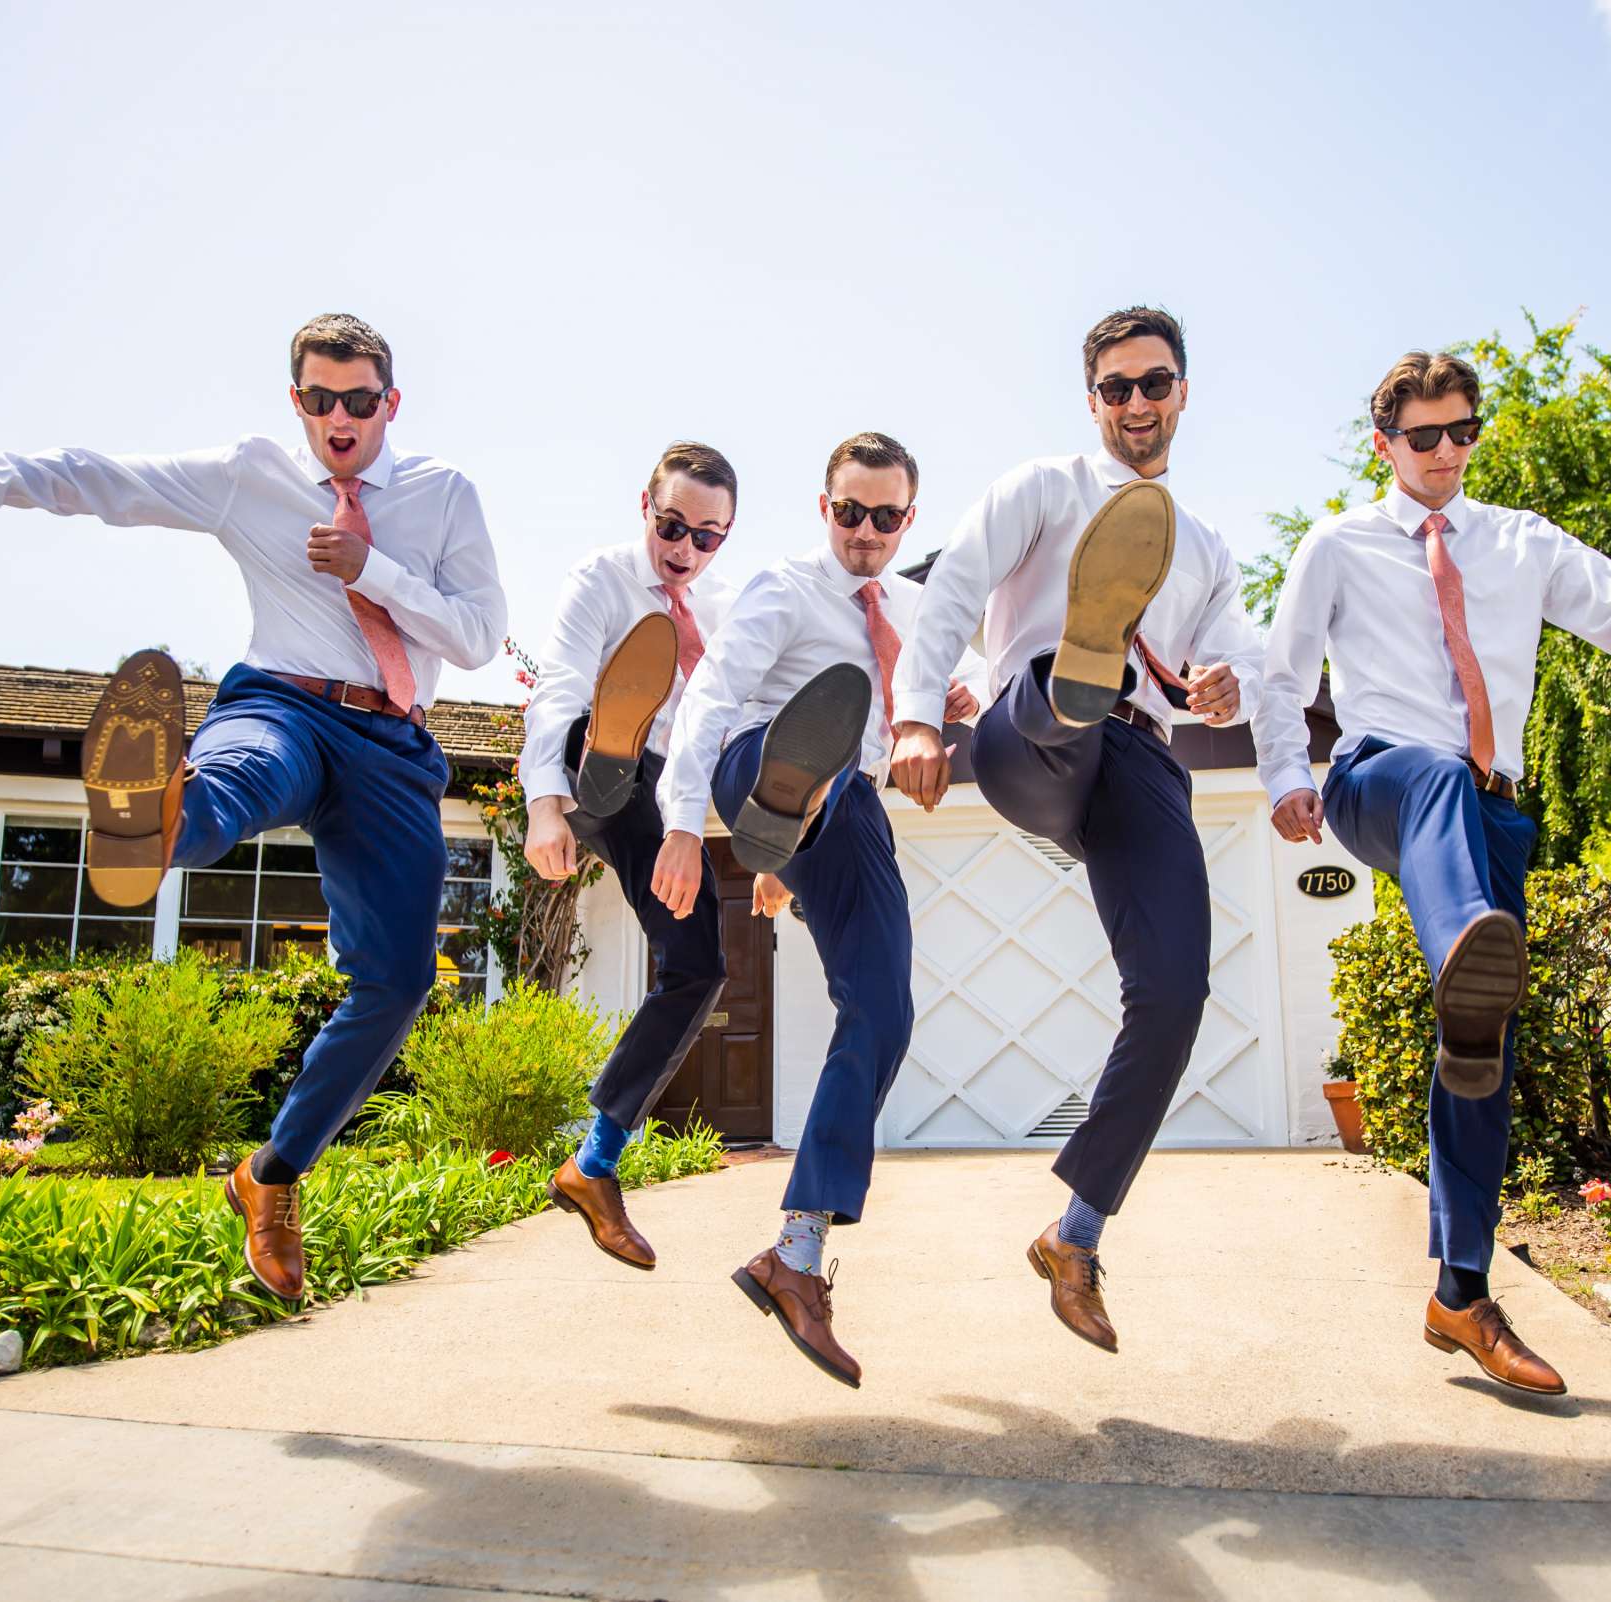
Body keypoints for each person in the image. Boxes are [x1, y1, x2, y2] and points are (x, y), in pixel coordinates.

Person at [0, 313, 506, 1305]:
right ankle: (162, 817)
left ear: (390, 403)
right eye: (318, 399)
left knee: (395, 982)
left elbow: (479, 637)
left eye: (357, 400)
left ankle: (269, 1177)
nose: (337, 418)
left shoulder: (443, 495)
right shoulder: (245, 473)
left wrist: (371, 570)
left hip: (391, 741)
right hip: (278, 701)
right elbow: (101, 479)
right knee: (237, 775)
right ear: (295, 402)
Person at [1254, 349, 1611, 1395]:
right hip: (1381, 781)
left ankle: (1461, 1295)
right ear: (1386, 444)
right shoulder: (1338, 543)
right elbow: (1281, 674)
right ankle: (1464, 948)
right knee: (1428, 773)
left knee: (1482, 1052)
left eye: (1461, 432)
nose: (1445, 453)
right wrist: (1288, 777)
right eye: (1423, 437)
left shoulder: (1525, 543)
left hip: (1491, 812)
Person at [885, 308, 1261, 1354]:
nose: (1136, 404)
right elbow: (951, 590)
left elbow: (1214, 678)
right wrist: (919, 715)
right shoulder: (1042, 487)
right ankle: (1073, 675)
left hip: (1141, 754)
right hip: (1025, 741)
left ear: (1183, 390)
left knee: (1178, 991)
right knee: (1062, 694)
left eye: (1154, 383)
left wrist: (1223, 690)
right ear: (1091, 399)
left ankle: (1076, 1233)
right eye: (1116, 388)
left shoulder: (1211, 547)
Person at [654, 432, 982, 1388]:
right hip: (749, 760)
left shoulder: (922, 610)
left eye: (886, 518)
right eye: (850, 513)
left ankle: (793, 1256)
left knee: (884, 1014)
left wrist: (953, 690)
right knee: (808, 747)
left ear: (909, 519)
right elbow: (710, 695)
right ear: (824, 506)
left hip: (852, 809)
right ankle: (783, 808)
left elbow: (979, 684)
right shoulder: (786, 589)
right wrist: (683, 828)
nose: (866, 534)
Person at [519, 442, 740, 1269]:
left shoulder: (720, 606)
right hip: (592, 760)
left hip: (671, 797)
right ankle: (601, 764)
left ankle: (593, 1160)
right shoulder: (601, 578)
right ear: (644, 507)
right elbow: (554, 688)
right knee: (593, 727)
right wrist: (546, 808)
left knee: (700, 966)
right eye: (672, 526)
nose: (684, 550)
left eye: (708, 537)